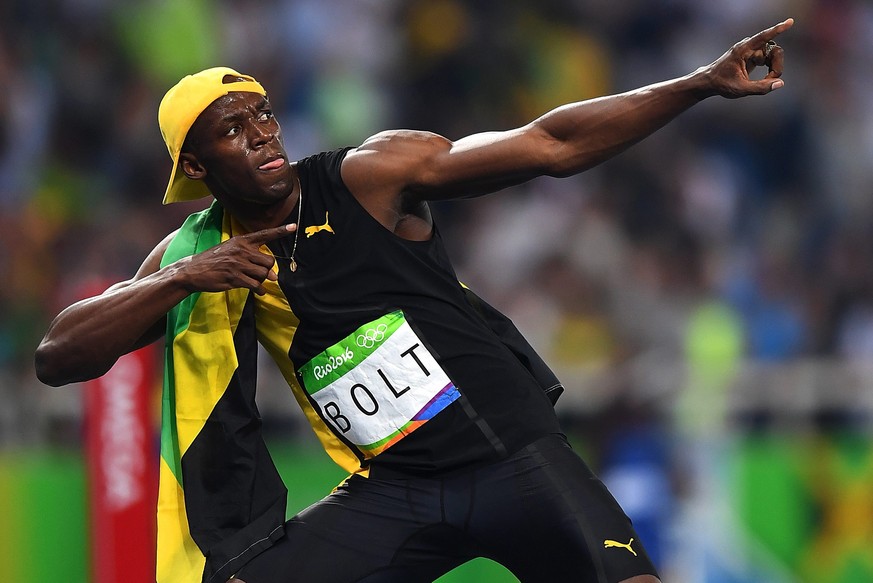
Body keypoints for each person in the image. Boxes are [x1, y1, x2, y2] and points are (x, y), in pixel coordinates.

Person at [35, 17, 793, 583]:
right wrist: (176, 281)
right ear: (197, 165)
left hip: (512, 457)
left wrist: (698, 83)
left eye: (263, 113)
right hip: (395, 489)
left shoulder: (368, 176)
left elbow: (548, 144)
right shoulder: (194, 254)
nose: (262, 134)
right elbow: (58, 355)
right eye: (233, 130)